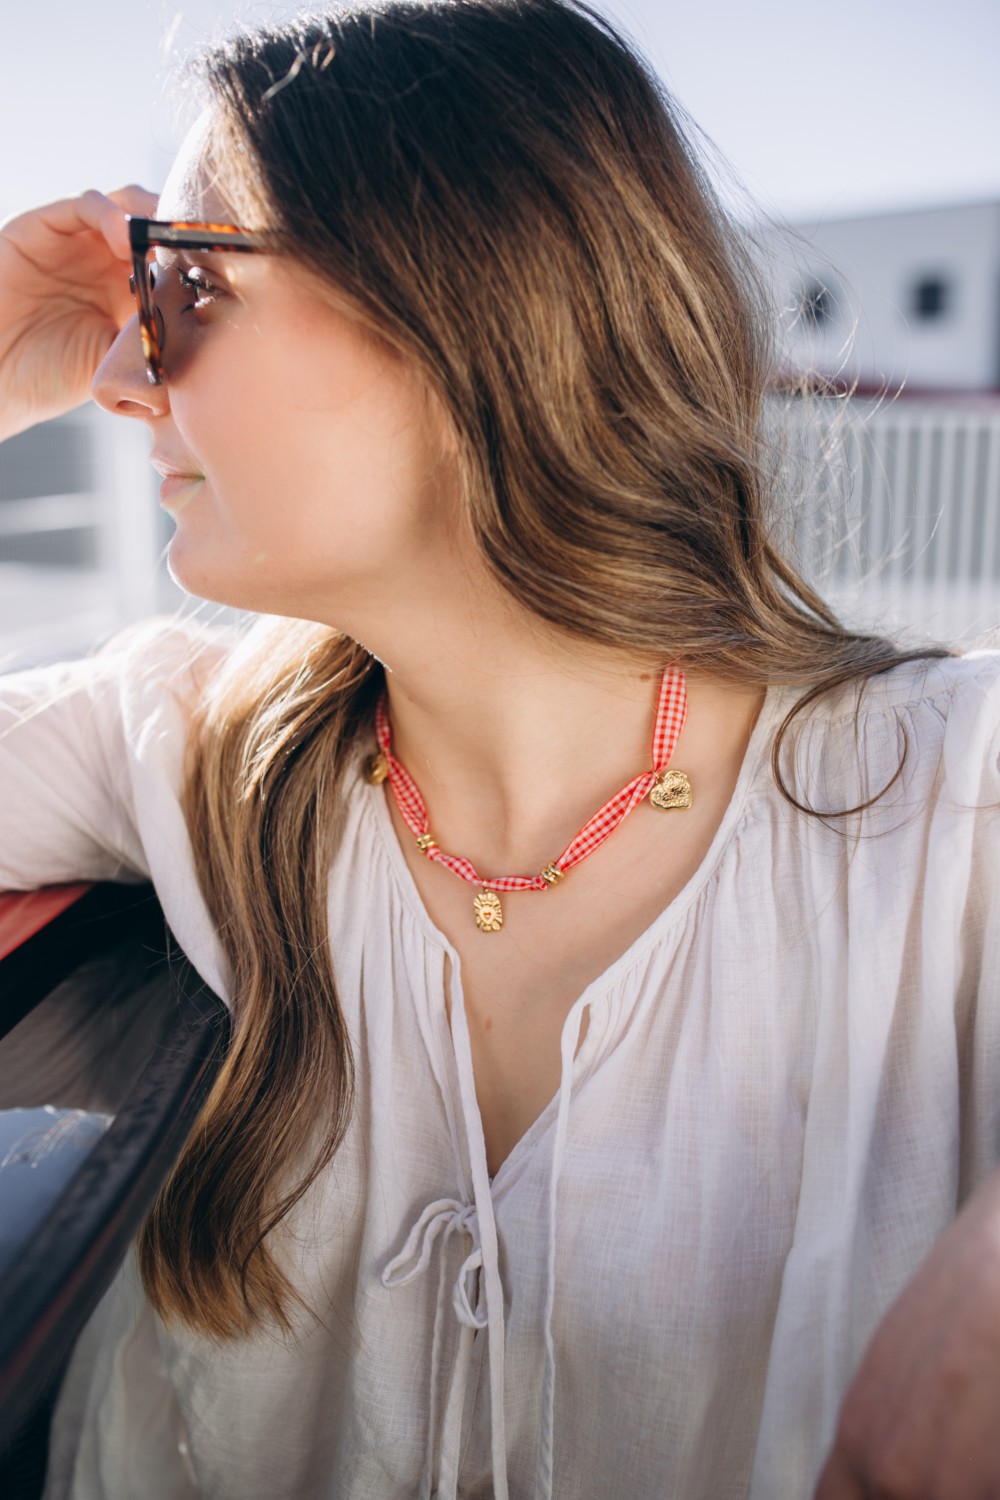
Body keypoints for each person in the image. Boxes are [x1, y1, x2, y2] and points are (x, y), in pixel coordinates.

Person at [0, 1, 998, 1495]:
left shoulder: (956, 798)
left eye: (189, 286)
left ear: (461, 303)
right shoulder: (188, 751)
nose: (124, 376)